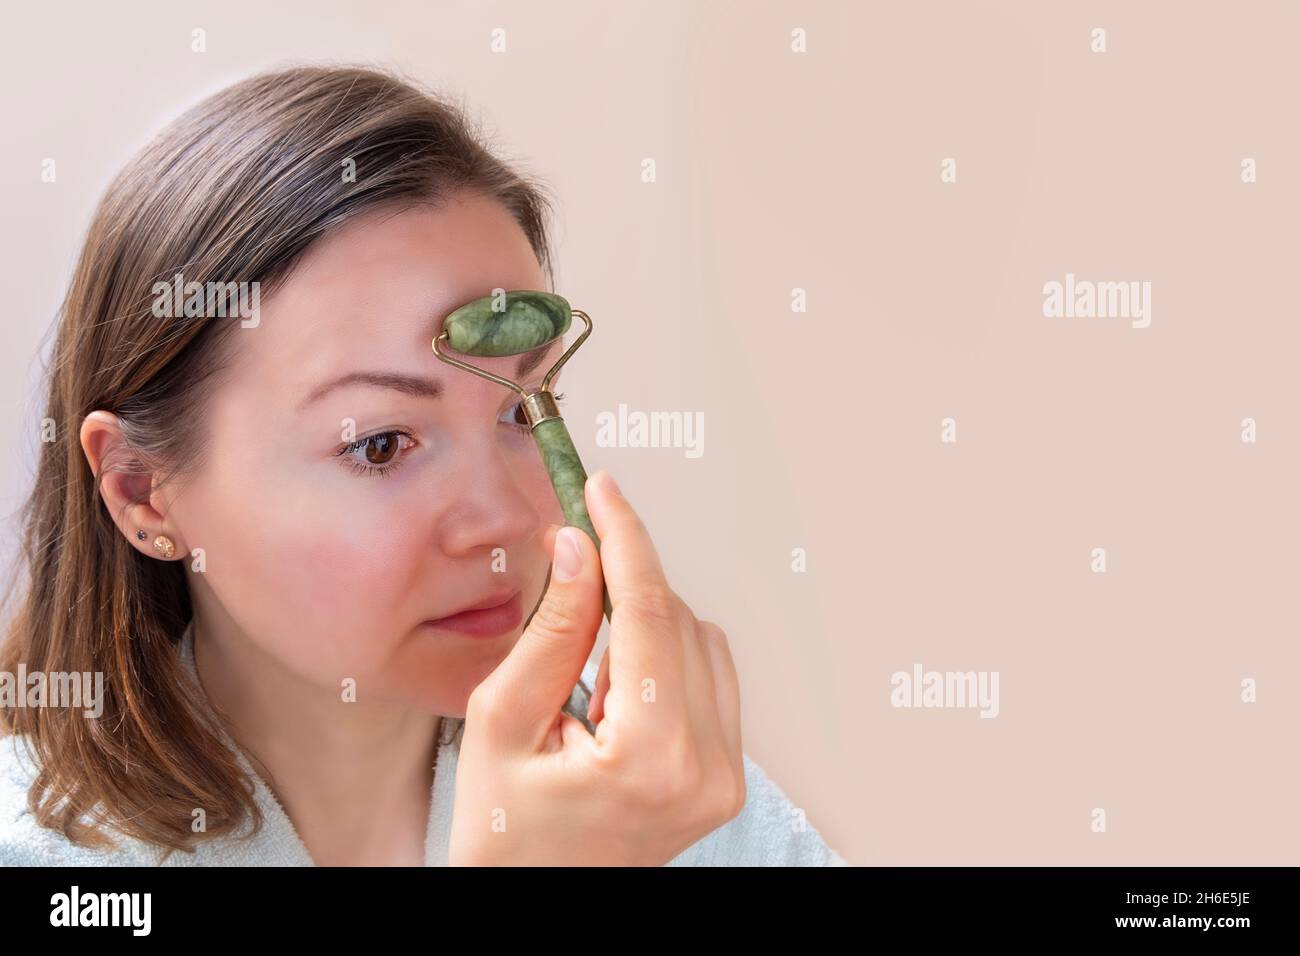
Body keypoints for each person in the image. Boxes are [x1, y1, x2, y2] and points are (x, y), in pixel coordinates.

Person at [0, 64, 844, 866]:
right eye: (380, 444)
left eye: (522, 410)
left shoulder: (661, 805)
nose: (509, 520)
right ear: (144, 493)